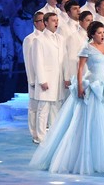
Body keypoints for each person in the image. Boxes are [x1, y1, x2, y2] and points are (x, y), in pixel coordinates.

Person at [30, 21, 104, 174]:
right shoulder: (87, 48)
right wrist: (79, 86)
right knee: (90, 120)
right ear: (92, 34)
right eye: (99, 33)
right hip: (93, 85)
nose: (102, 35)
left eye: (103, 32)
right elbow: (80, 69)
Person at [32, 12, 70, 143]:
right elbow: (38, 61)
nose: (56, 22)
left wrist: (66, 77)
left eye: (57, 20)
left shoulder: (60, 38)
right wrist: (42, 80)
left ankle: (53, 136)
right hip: (47, 79)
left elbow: (65, 60)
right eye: (53, 20)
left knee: (56, 108)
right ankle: (40, 136)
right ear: (46, 22)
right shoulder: (39, 39)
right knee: (43, 109)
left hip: (58, 79)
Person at [22, 11, 45, 144]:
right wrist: (31, 79)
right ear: (36, 23)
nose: (43, 23)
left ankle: (41, 132)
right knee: (34, 106)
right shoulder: (30, 39)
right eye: (41, 20)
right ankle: (34, 133)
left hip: (43, 77)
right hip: (34, 78)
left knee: (42, 106)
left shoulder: (47, 37)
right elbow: (28, 61)